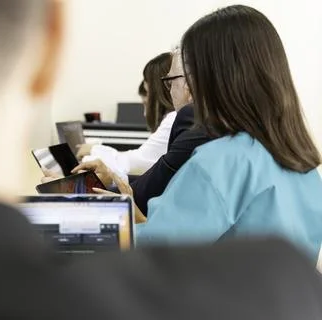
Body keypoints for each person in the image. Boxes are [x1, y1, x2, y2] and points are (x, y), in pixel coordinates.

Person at [0, 1, 322, 319]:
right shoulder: (302, 164)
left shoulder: (220, 161)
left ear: (217, 77)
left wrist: (62, 225)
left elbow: (147, 246)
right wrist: (117, 193)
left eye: (186, 74)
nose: (182, 87)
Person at [135, 5, 322, 262]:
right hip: (287, 301)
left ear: (210, 78)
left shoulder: (221, 161)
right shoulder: (304, 165)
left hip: (219, 300)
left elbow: (154, 250)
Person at [75, 48, 213, 215]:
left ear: (189, 87)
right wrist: (111, 179)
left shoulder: (186, 119)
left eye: (169, 82)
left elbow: (146, 183)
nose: (169, 90)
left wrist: (75, 194)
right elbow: (156, 179)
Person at [76, 53, 177, 177]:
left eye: (148, 93)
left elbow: (138, 163)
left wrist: (95, 150)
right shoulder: (175, 118)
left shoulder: (173, 119)